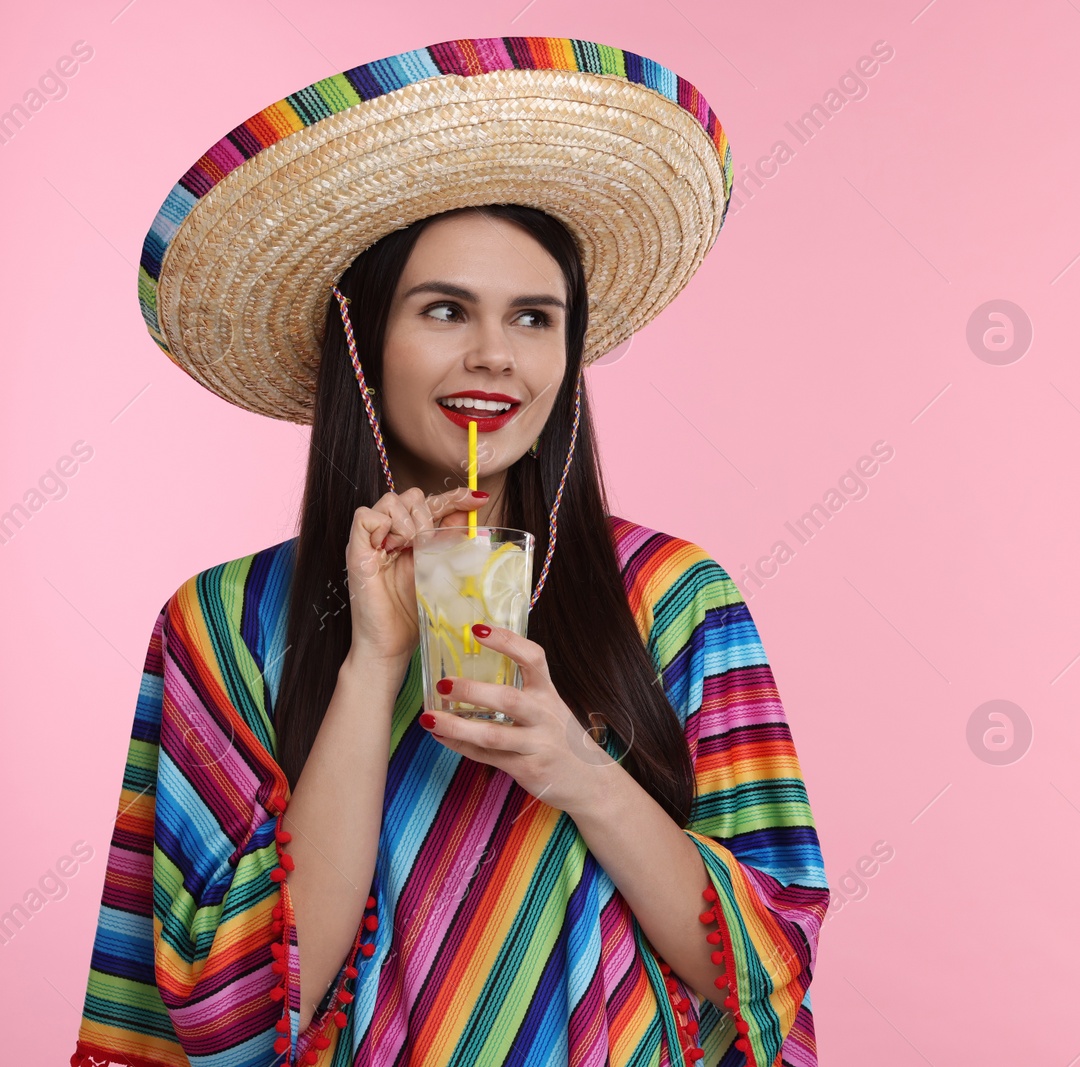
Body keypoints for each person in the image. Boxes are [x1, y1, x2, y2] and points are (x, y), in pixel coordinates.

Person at [70, 37, 827, 1067]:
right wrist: (373, 661)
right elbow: (235, 1013)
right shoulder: (226, 621)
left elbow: (758, 961)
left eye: (533, 316)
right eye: (443, 310)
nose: (494, 355)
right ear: (366, 342)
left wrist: (579, 771)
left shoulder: (676, 599)